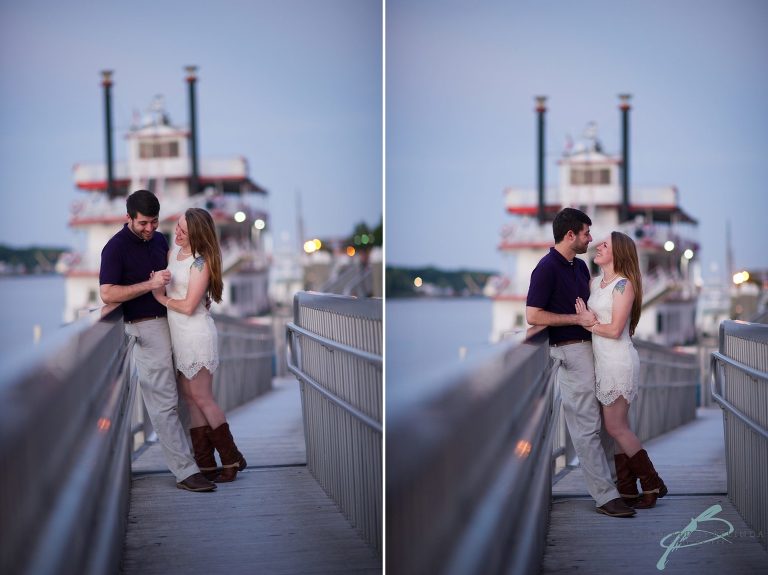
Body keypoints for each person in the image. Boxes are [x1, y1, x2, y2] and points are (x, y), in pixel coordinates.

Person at [100, 190, 216, 493]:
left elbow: (179, 275)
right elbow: (107, 293)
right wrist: (149, 286)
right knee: (164, 403)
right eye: (143, 223)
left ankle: (205, 463)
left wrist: (198, 298)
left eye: (154, 222)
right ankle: (186, 471)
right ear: (128, 218)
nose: (150, 229)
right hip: (144, 328)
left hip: (174, 325)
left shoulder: (161, 240)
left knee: (185, 397)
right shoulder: (114, 248)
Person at [526, 208, 635, 518]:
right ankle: (605, 496)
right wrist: (577, 319)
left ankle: (617, 487)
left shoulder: (579, 268)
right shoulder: (546, 268)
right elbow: (532, 315)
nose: (591, 238)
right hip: (570, 351)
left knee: (602, 426)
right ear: (570, 235)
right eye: (587, 233)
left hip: (593, 351)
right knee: (586, 426)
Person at [151, 208, 247, 483]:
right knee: (191, 399)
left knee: (203, 397)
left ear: (197, 233)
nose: (177, 233)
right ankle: (205, 465)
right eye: (177, 227)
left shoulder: (200, 263)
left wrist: (160, 298)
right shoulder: (174, 254)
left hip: (196, 335)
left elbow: (190, 305)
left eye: (183, 230)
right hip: (179, 336)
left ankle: (231, 459)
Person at [576, 231, 667, 508]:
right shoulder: (596, 283)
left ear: (620, 253)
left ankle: (652, 483)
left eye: (606, 244)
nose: (598, 246)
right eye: (599, 242)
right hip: (602, 362)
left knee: (615, 426)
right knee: (616, 427)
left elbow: (615, 330)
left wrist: (587, 323)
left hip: (618, 360)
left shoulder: (623, 285)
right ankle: (627, 489)